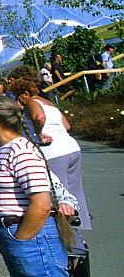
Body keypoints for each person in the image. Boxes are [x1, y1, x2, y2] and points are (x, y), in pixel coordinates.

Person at [0, 94, 72, 277]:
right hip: (14, 235)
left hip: (31, 238)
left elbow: (42, 203)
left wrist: (21, 240)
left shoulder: (21, 151)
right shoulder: (3, 150)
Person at [10, 78, 91, 231]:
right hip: (71, 148)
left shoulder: (33, 102)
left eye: (17, 95)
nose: (16, 100)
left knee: (57, 195)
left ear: (26, 93)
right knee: (74, 191)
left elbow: (39, 117)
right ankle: (80, 229)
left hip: (53, 153)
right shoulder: (48, 103)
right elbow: (67, 125)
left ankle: (68, 236)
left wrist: (39, 134)